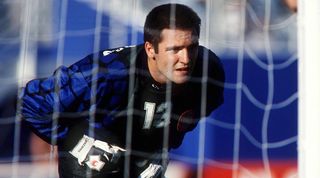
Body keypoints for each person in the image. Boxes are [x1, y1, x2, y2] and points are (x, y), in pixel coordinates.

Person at [19, 3, 225, 178]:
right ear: (150, 49)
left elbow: (195, 112)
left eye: (192, 47)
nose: (186, 59)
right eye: (175, 50)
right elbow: (29, 101)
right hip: (94, 162)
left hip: (142, 161)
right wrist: (73, 139)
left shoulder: (209, 71)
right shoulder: (105, 74)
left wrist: (159, 146)